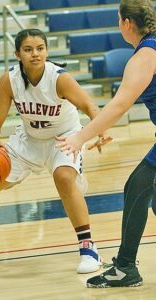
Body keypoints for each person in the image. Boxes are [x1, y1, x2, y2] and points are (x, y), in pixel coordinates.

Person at [0, 28, 109, 273]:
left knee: (64, 178)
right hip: (29, 138)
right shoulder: (10, 80)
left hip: (64, 136)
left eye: (40, 49)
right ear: (18, 54)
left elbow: (89, 105)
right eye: (28, 49)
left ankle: (88, 247)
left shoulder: (59, 78)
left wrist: (100, 129)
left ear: (47, 52)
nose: (35, 54)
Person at [56, 0, 156, 288]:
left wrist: (80, 137)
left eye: (118, 19)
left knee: (137, 187)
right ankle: (125, 267)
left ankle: (125, 268)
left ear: (127, 23)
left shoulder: (144, 56)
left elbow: (118, 106)